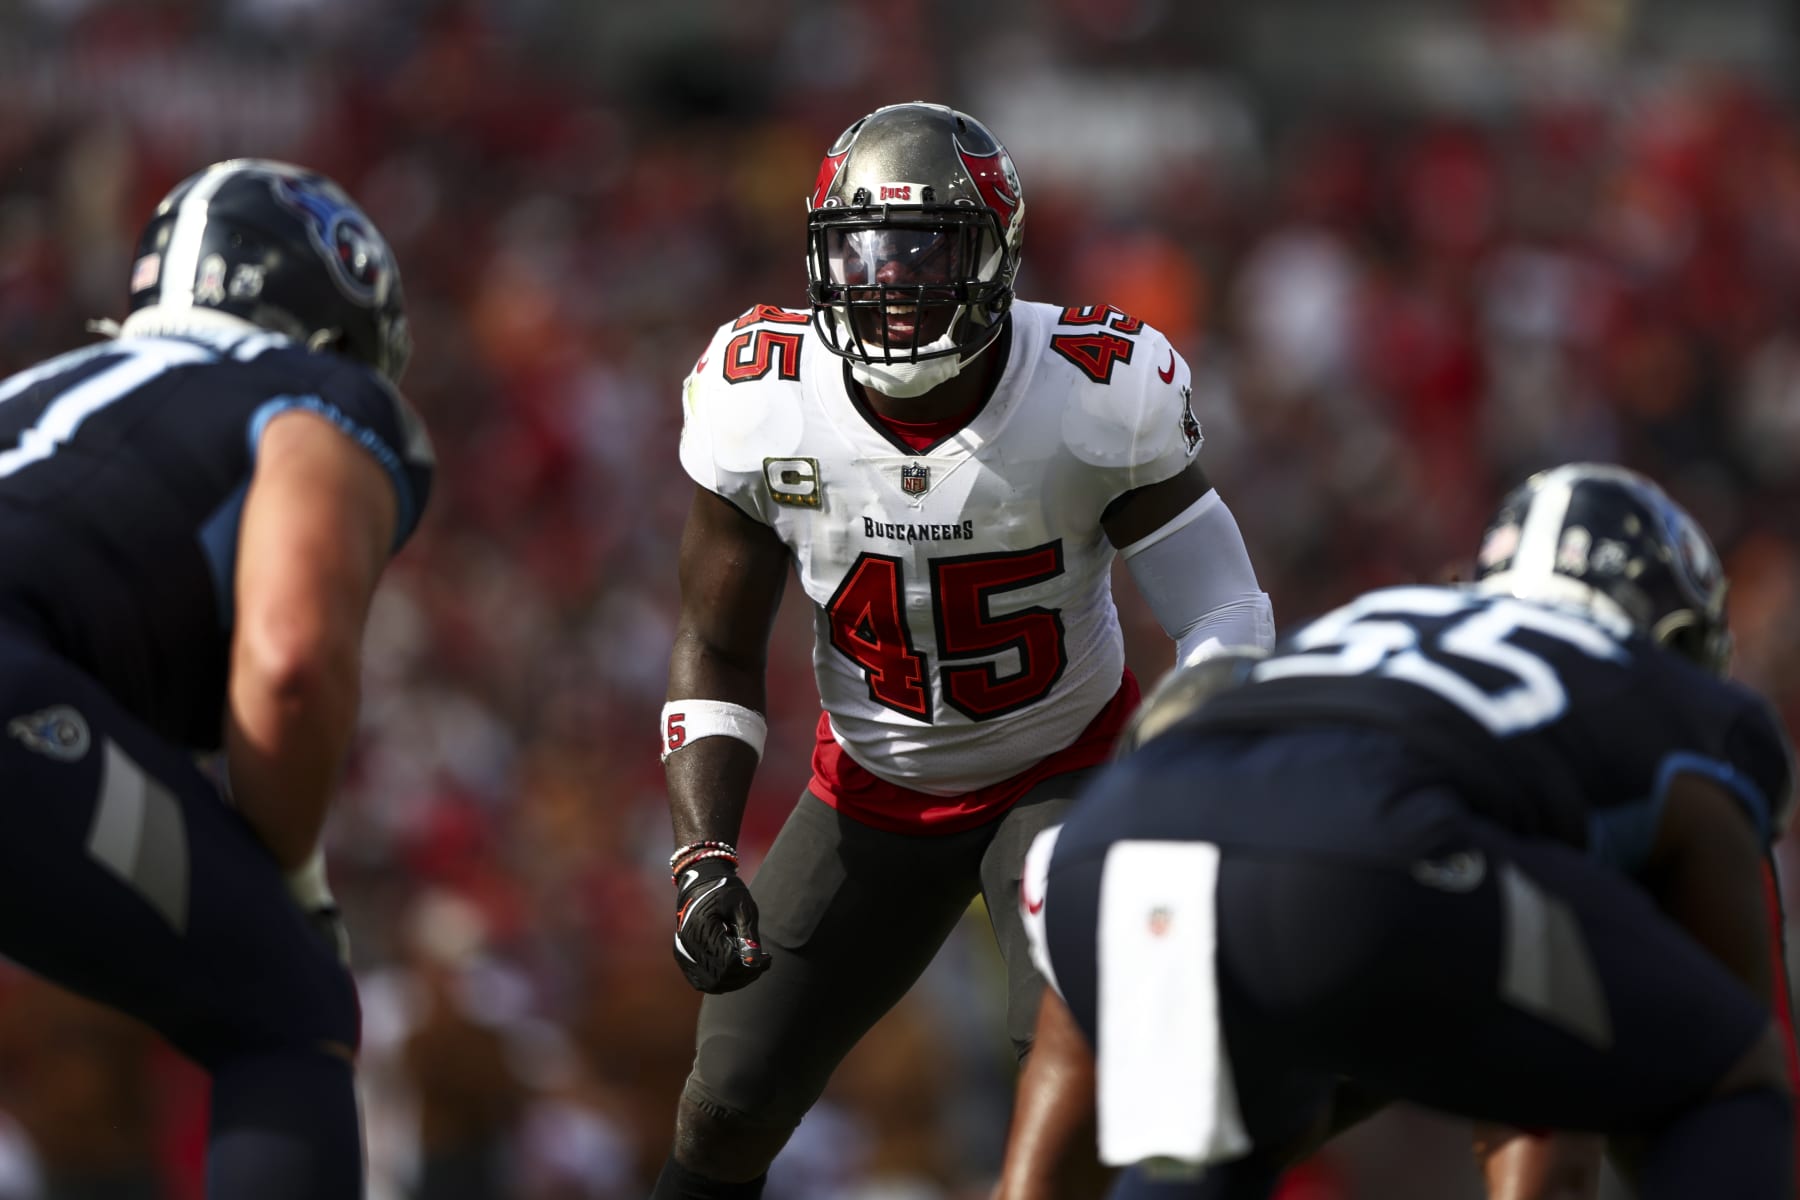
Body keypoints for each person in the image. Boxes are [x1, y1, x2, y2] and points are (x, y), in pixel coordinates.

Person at [653, 100, 1275, 1198]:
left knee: (1073, 1092)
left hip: (1064, 771)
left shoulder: (1094, 390)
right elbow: (714, 642)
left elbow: (1225, 608)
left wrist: (1182, 781)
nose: (890, 279)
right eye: (864, 247)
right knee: (724, 1111)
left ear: (996, 252)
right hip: (870, 786)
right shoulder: (763, 400)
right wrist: (703, 854)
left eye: (924, 245)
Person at [1005, 462, 1796, 1199]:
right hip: (1366, 869)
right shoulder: (1668, 706)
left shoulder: (1368, 619)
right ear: (1671, 634)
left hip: (1102, 859)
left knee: (1228, 1130)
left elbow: (1176, 755)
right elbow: (1654, 1075)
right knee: (1736, 1073)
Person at [0, 158, 432, 1197]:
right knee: (289, 1008)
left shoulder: (36, 389)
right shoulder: (318, 394)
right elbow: (290, 660)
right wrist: (288, 881)